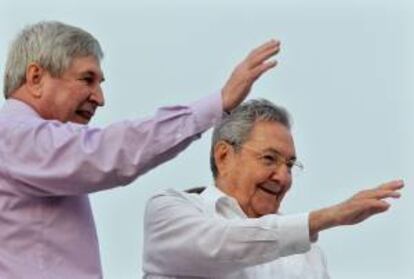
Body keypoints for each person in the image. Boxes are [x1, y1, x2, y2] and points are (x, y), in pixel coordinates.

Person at [0, 20, 280, 278]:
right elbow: (106, 152)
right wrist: (218, 104)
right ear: (36, 77)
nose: (99, 98)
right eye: (87, 79)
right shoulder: (13, 135)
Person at [143, 99, 404, 278]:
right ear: (224, 156)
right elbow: (219, 243)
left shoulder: (308, 252)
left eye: (290, 165)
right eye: (269, 159)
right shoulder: (170, 210)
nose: (283, 177)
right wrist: (327, 218)